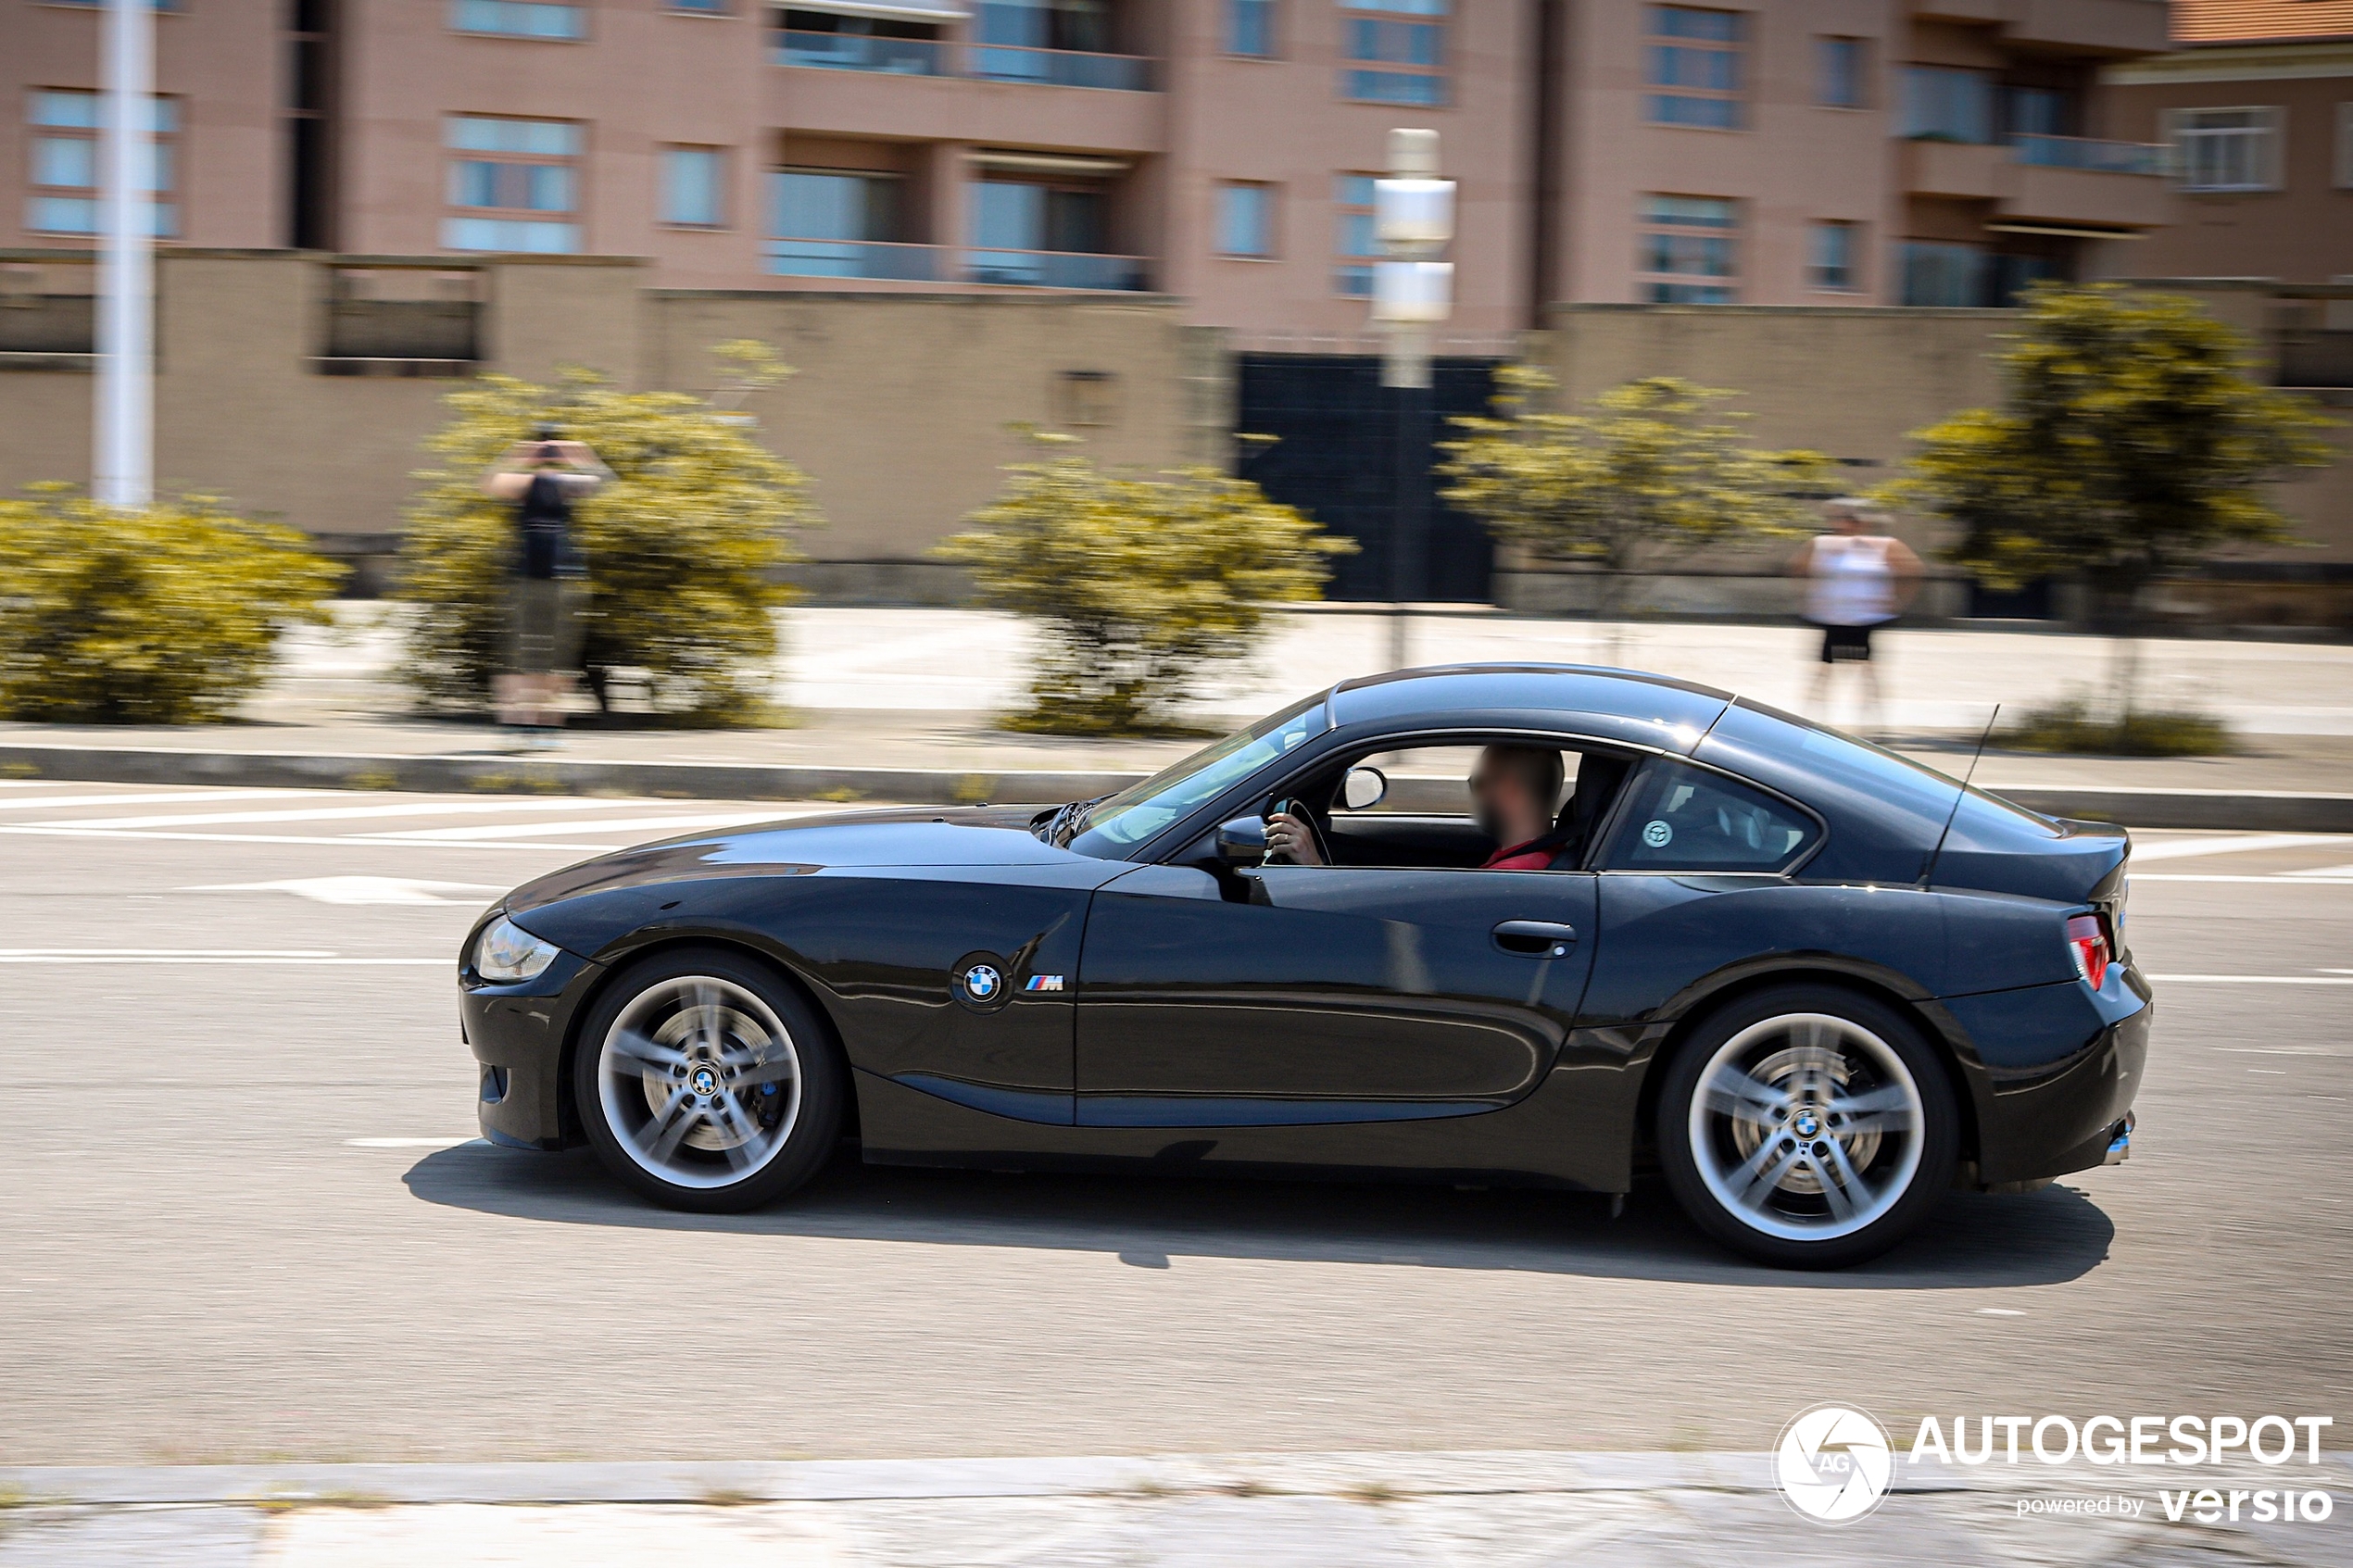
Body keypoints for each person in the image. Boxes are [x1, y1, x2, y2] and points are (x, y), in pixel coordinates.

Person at [481, 433, 610, 743]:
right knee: (517, 654)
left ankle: (546, 725)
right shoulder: (523, 484)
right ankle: (514, 723)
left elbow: (603, 484)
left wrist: (581, 455)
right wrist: (520, 454)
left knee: (557, 656)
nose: (549, 452)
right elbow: (489, 483)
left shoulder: (565, 485)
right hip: (524, 577)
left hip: (564, 577)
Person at [1267, 744, 1566, 870]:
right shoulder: (1537, 856)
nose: (1475, 794)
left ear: (1510, 789)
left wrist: (1314, 867)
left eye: (1478, 783)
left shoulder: (1514, 875)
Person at [1789, 497, 1922, 737]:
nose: (1846, 524)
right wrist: (1809, 597)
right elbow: (1798, 568)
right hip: (1831, 617)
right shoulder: (1821, 544)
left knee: (1868, 673)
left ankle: (1874, 729)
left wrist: (1897, 600)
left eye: (1852, 520)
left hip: (1867, 618)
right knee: (1823, 672)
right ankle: (1812, 725)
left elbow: (1912, 569)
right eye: (1842, 519)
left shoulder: (1884, 545)